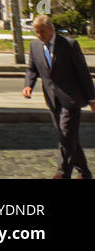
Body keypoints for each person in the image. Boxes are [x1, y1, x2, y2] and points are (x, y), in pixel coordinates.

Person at [24, 13, 95, 179]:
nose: (39, 35)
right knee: (68, 137)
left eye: (42, 31)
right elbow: (32, 69)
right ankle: (84, 173)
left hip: (71, 99)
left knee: (66, 135)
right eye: (36, 31)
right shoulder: (34, 46)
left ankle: (62, 173)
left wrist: (92, 98)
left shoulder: (69, 45)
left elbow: (83, 72)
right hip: (51, 99)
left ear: (51, 29)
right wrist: (28, 85)